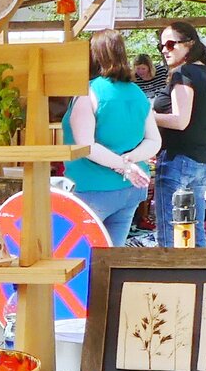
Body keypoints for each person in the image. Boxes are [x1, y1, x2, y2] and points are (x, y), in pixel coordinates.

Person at [62, 30, 156, 242]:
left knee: (79, 252)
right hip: (131, 189)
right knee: (113, 253)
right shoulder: (137, 92)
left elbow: (86, 146)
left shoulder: (88, 92)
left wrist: (124, 165)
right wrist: (129, 162)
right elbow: (154, 141)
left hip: (91, 186)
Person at [150, 21, 206, 246]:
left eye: (171, 44)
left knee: (170, 235)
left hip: (177, 160)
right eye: (161, 46)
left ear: (189, 43)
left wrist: (146, 117)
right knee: (195, 232)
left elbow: (180, 121)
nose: (165, 50)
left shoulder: (184, 73)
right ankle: (201, 270)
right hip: (201, 161)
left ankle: (171, 270)